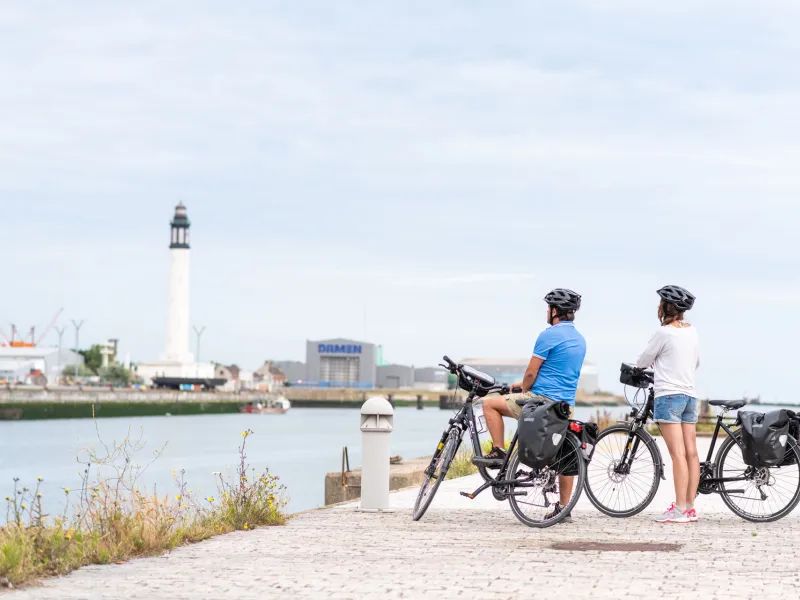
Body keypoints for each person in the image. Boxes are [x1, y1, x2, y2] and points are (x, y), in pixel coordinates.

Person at [478, 288, 586, 520]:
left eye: (549, 308)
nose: (547, 312)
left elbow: (531, 372)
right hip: (564, 405)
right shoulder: (580, 339)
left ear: (555, 311)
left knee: (490, 405)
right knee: (565, 454)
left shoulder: (549, 335)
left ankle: (498, 450)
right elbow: (556, 372)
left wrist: (524, 387)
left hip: (539, 403)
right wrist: (521, 385)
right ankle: (564, 508)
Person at [636, 285, 700, 524]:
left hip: (669, 396)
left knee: (678, 455)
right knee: (692, 453)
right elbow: (697, 362)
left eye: (661, 303)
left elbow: (642, 360)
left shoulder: (663, 333)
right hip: (690, 395)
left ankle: (680, 509)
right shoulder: (692, 331)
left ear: (667, 307)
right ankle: (690, 507)